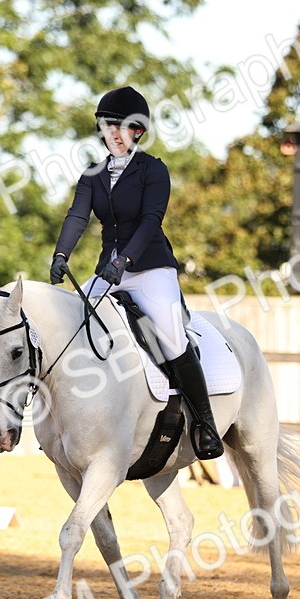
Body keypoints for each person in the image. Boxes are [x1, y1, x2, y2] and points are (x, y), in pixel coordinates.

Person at [49, 86, 223, 460]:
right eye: (106, 126)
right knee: (75, 329)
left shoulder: (153, 170)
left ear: (137, 131)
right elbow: (78, 216)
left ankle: (205, 424)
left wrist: (124, 261)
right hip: (106, 271)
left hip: (149, 268)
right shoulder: (92, 175)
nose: (113, 133)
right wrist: (61, 254)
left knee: (172, 339)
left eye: (121, 126)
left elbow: (150, 220)